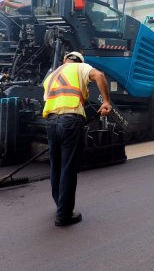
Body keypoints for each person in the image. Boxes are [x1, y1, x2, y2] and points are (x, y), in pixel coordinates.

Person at [42, 51, 112, 227]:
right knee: (68, 167)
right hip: (70, 121)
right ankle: (64, 215)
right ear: (78, 61)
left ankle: (60, 205)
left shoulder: (50, 76)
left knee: (56, 166)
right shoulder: (80, 67)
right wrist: (106, 101)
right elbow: (99, 75)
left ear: (64, 61)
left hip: (51, 122)